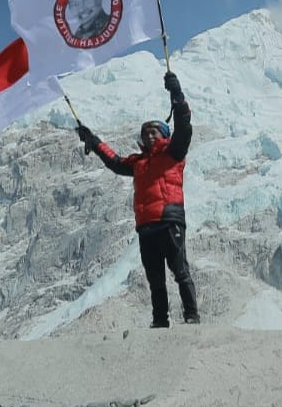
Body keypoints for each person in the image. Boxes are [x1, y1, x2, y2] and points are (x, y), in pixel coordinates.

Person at [76, 71, 200, 328]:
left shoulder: (174, 152)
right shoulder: (138, 163)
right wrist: (93, 140)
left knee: (180, 271)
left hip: (169, 219)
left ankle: (191, 315)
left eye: (154, 132)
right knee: (155, 279)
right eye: (146, 134)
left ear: (164, 135)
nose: (149, 137)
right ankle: (160, 321)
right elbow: (114, 161)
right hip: (146, 227)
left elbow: (184, 125)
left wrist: (176, 95)